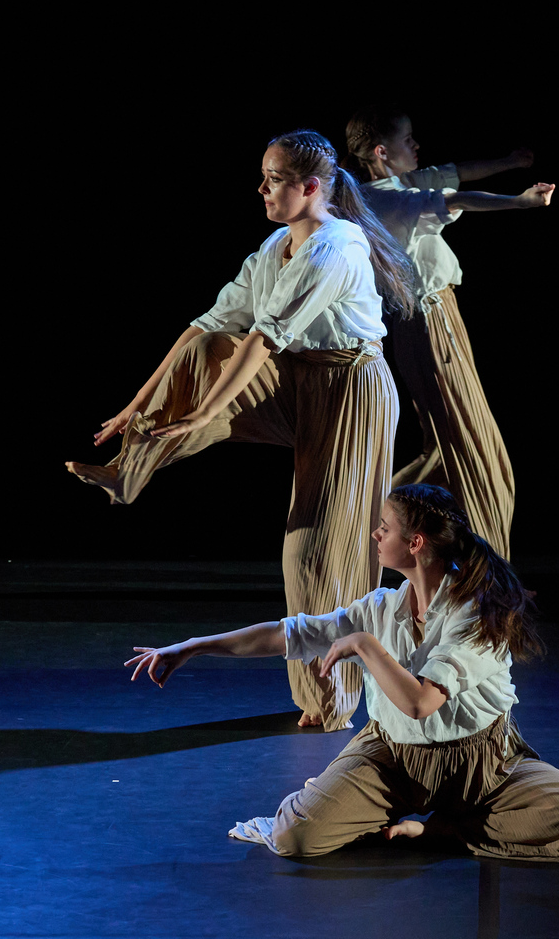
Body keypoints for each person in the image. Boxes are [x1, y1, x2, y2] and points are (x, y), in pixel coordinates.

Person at [67, 129, 416, 732]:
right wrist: (135, 406)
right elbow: (206, 325)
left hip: (352, 396)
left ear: (311, 188)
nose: (261, 189)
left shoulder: (336, 247)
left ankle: (330, 700)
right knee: (204, 348)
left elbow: (265, 338)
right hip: (299, 382)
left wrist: (206, 414)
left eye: (274, 180)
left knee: (315, 551)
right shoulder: (276, 245)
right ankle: (129, 471)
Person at [125, 483, 559, 862]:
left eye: (384, 528)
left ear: (415, 543)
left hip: (481, 764)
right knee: (295, 837)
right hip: (391, 758)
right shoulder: (380, 608)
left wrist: (364, 645)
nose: (376, 535)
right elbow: (286, 634)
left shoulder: (477, 614)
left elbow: (420, 703)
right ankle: (368, 805)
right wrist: (191, 647)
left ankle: (439, 829)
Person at [344, 105, 556, 559]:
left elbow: (455, 174)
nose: (416, 145)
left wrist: (509, 161)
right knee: (469, 447)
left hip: (434, 320)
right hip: (429, 323)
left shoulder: (399, 184)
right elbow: (455, 198)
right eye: (407, 140)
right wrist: (520, 202)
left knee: (453, 447)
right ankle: (363, 523)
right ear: (381, 152)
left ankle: (370, 523)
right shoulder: (388, 200)